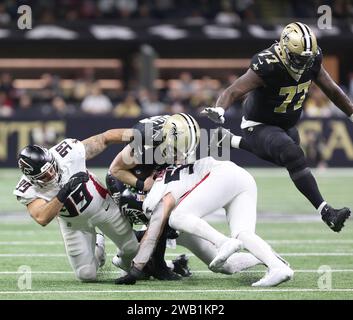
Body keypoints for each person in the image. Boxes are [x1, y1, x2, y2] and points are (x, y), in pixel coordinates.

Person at [202, 22, 351, 232]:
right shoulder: (268, 64)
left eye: (306, 59)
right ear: (284, 48)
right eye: (298, 58)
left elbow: (333, 91)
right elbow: (233, 91)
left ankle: (231, 141)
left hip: (287, 125)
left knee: (288, 158)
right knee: (293, 154)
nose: (302, 64)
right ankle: (327, 212)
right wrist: (220, 109)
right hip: (259, 123)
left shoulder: (312, 58)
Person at [115, 115, 291, 287]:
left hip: (221, 175)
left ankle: (224, 242)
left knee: (177, 217)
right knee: (237, 246)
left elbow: (152, 233)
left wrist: (134, 270)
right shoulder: (163, 176)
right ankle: (275, 263)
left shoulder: (157, 192)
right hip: (240, 178)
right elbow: (148, 236)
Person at [13, 129, 139, 281]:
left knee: (132, 248)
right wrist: (65, 190)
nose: (52, 174)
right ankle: (98, 246)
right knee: (86, 275)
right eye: (44, 176)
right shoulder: (27, 188)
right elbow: (42, 217)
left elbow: (104, 138)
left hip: (103, 207)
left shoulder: (67, 152)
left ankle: (121, 262)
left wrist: (137, 134)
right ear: (32, 178)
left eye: (52, 168)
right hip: (73, 223)